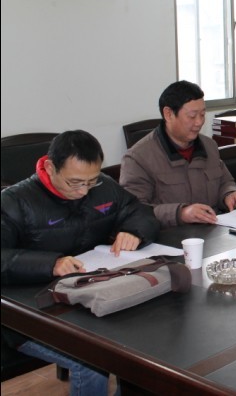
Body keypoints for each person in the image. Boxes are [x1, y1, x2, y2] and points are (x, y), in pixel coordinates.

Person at [1, 130, 160, 395]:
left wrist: (134, 231)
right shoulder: (13, 202)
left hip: (90, 298)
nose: (84, 191)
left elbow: (140, 211)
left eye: (91, 181)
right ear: (50, 168)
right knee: (92, 361)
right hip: (27, 317)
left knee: (143, 338)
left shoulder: (103, 186)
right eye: (75, 182)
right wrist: (50, 264)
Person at [120, 80, 236, 227]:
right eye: (192, 116)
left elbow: (225, 182)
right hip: (170, 235)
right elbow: (134, 210)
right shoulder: (138, 158)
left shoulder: (209, 146)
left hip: (212, 230)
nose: (199, 122)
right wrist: (180, 213)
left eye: (202, 115)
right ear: (168, 114)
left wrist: (230, 194)